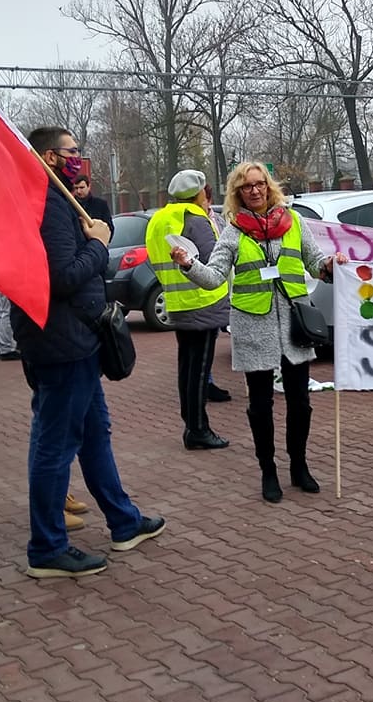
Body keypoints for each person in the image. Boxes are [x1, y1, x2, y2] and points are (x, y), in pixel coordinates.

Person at [13, 126, 164, 578]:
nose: (80, 158)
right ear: (49, 157)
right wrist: (99, 243)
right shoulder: (46, 206)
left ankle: (123, 521)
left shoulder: (54, 200)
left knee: (95, 432)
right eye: (72, 151)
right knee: (55, 445)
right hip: (62, 343)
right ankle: (47, 547)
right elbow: (62, 277)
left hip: (76, 340)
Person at [171, 162, 346, 504]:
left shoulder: (294, 222)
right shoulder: (233, 232)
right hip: (254, 326)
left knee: (300, 402)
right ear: (237, 194)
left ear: (269, 187)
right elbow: (215, 277)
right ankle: (268, 469)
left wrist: (329, 266)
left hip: (295, 323)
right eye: (246, 187)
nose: (255, 191)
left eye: (260, 184)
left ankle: (299, 465)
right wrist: (188, 264)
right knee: (260, 405)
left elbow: (314, 262)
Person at [146, 169, 231, 450]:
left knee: (187, 368)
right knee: (199, 370)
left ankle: (192, 425)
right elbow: (212, 260)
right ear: (199, 192)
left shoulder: (160, 218)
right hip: (203, 301)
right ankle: (197, 429)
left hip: (176, 301)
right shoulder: (196, 220)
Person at [201, 183, 231, 404]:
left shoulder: (219, 220)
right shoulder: (190, 221)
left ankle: (207, 382)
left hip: (223, 286)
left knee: (215, 336)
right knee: (205, 340)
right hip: (202, 287)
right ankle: (206, 382)